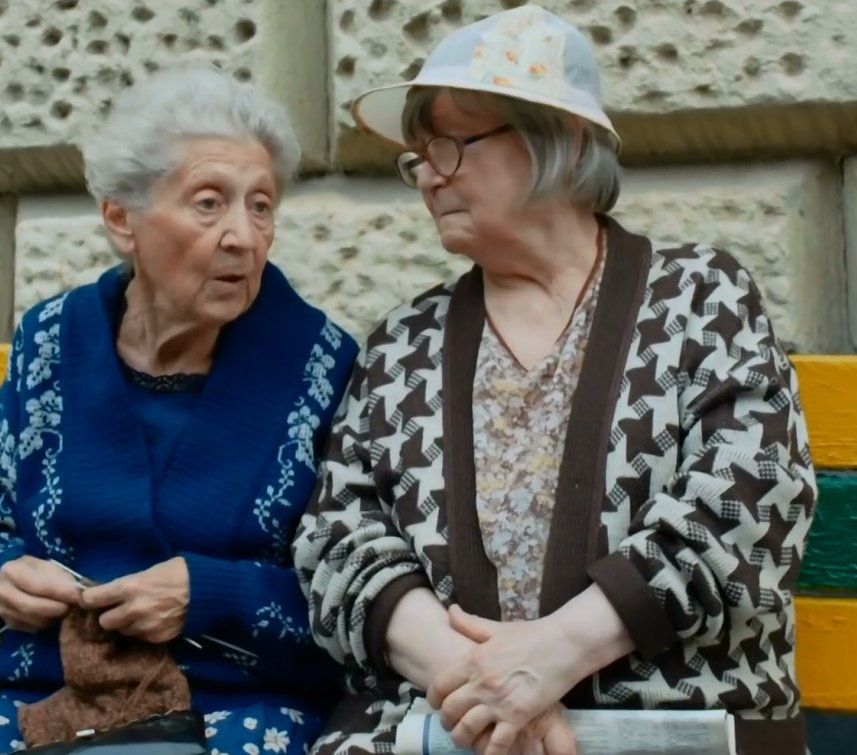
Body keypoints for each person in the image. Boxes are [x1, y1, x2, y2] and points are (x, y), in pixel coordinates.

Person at [293, 6, 817, 755]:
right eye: (418, 155)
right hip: (447, 731)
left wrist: (551, 658)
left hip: (664, 731)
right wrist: (479, 685)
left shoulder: (702, 298)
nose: (429, 176)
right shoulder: (403, 343)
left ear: (563, 140)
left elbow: (752, 503)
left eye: (452, 144)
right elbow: (337, 542)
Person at [0, 65, 359, 755]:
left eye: (261, 206)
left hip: (235, 706)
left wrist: (210, 592)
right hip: (51, 693)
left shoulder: (322, 364)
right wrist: (1, 578)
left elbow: (350, 587)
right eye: (209, 203)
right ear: (121, 219)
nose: (243, 236)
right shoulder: (50, 341)